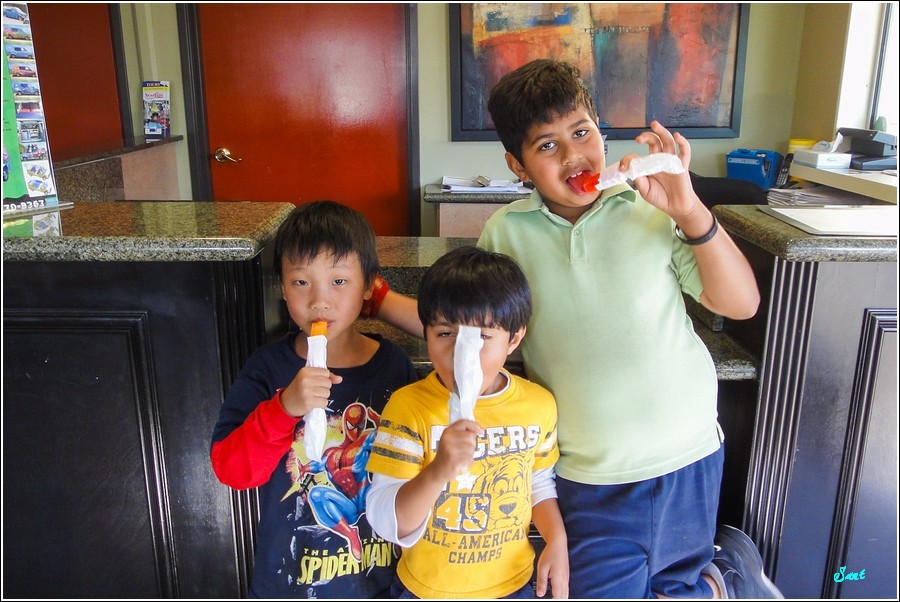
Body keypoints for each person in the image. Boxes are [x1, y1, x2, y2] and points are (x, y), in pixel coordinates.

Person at [373, 59, 778, 599]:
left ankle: (725, 573)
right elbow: (460, 326)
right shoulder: (505, 233)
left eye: (582, 133)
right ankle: (725, 578)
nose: (573, 156)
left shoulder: (651, 208)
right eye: (547, 145)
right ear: (517, 166)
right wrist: (378, 301)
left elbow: (741, 304)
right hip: (586, 472)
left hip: (688, 450)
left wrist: (688, 209)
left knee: (675, 584)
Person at [210, 200, 419, 598]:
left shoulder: (394, 366)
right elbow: (232, 470)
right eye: (301, 282)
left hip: (384, 582)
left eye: (339, 281)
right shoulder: (268, 368)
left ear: (369, 286)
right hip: (290, 584)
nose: (319, 301)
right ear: (282, 287)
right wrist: (284, 407)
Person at [365, 245, 568, 599]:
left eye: (482, 337)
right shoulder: (409, 408)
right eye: (446, 334)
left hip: (514, 584)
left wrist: (557, 538)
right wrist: (439, 469)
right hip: (427, 589)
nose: (463, 355)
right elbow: (385, 521)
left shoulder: (538, 406)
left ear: (514, 338)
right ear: (426, 332)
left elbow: (537, 482)